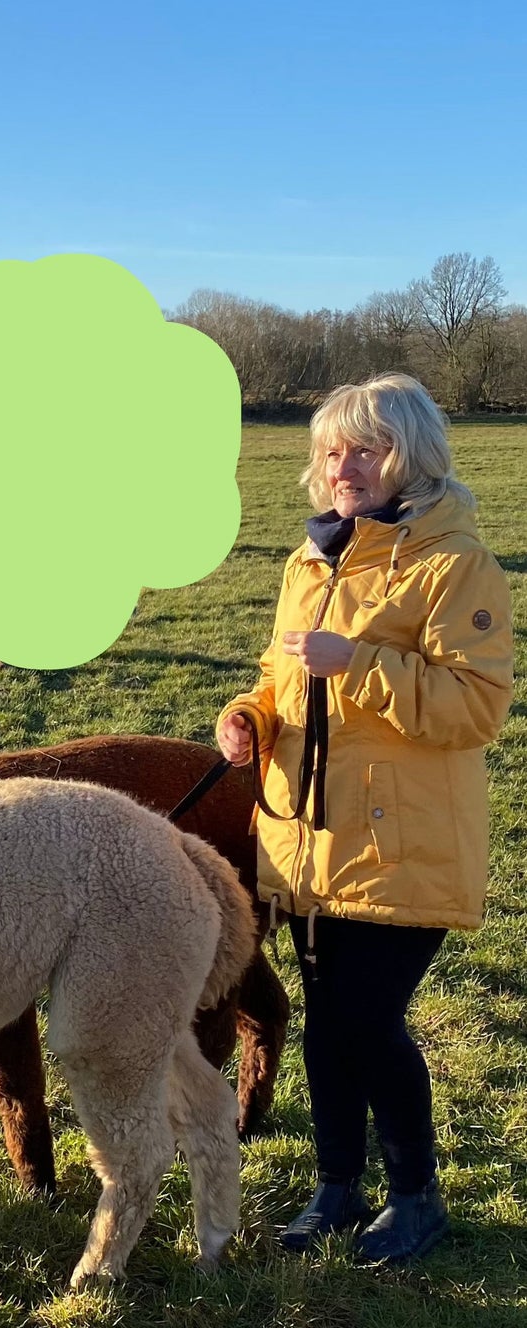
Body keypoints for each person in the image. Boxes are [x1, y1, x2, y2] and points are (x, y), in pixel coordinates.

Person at [216, 373, 513, 1262]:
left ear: (409, 457)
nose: (343, 467)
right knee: (326, 1024)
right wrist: (247, 718)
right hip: (308, 844)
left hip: (401, 848)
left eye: (365, 448)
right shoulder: (308, 563)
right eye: (331, 451)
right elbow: (280, 681)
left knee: (361, 1023)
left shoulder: (455, 563)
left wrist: (358, 664)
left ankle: (416, 1198)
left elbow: (475, 707)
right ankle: (337, 1189)